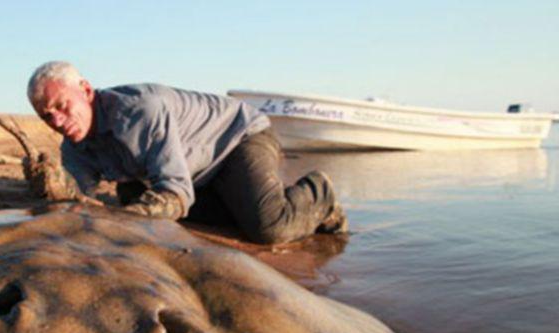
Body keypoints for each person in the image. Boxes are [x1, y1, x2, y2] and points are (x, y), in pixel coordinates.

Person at [26, 61, 347, 244]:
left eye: (62, 106)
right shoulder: (74, 144)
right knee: (132, 197)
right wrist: (54, 189)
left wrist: (122, 220)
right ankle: (243, 198)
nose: (57, 121)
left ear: (85, 90)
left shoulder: (139, 112)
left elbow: (176, 195)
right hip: (194, 167)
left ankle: (319, 193)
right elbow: (78, 202)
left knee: (269, 227)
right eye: (46, 116)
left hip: (237, 138)